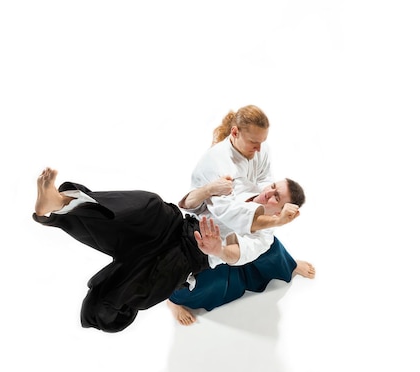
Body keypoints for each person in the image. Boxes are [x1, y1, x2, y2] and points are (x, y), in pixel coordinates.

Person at [32, 167, 302, 332]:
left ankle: (170, 298)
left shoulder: (264, 237)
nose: (269, 193)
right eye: (273, 187)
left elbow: (235, 255)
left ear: (284, 211)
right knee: (146, 204)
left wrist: (217, 248)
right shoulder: (240, 186)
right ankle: (57, 204)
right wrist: (209, 188)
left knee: (105, 303)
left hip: (188, 257)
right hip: (175, 224)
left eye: (277, 197)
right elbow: (190, 202)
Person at [167, 105, 315, 325]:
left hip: (236, 231)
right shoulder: (216, 164)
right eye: (254, 143)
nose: (259, 149)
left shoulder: (260, 153)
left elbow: (265, 179)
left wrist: (266, 205)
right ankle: (173, 301)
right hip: (207, 225)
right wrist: (273, 214)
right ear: (234, 133)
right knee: (212, 285)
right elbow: (226, 212)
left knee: (271, 248)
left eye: (262, 142)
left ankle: (289, 264)